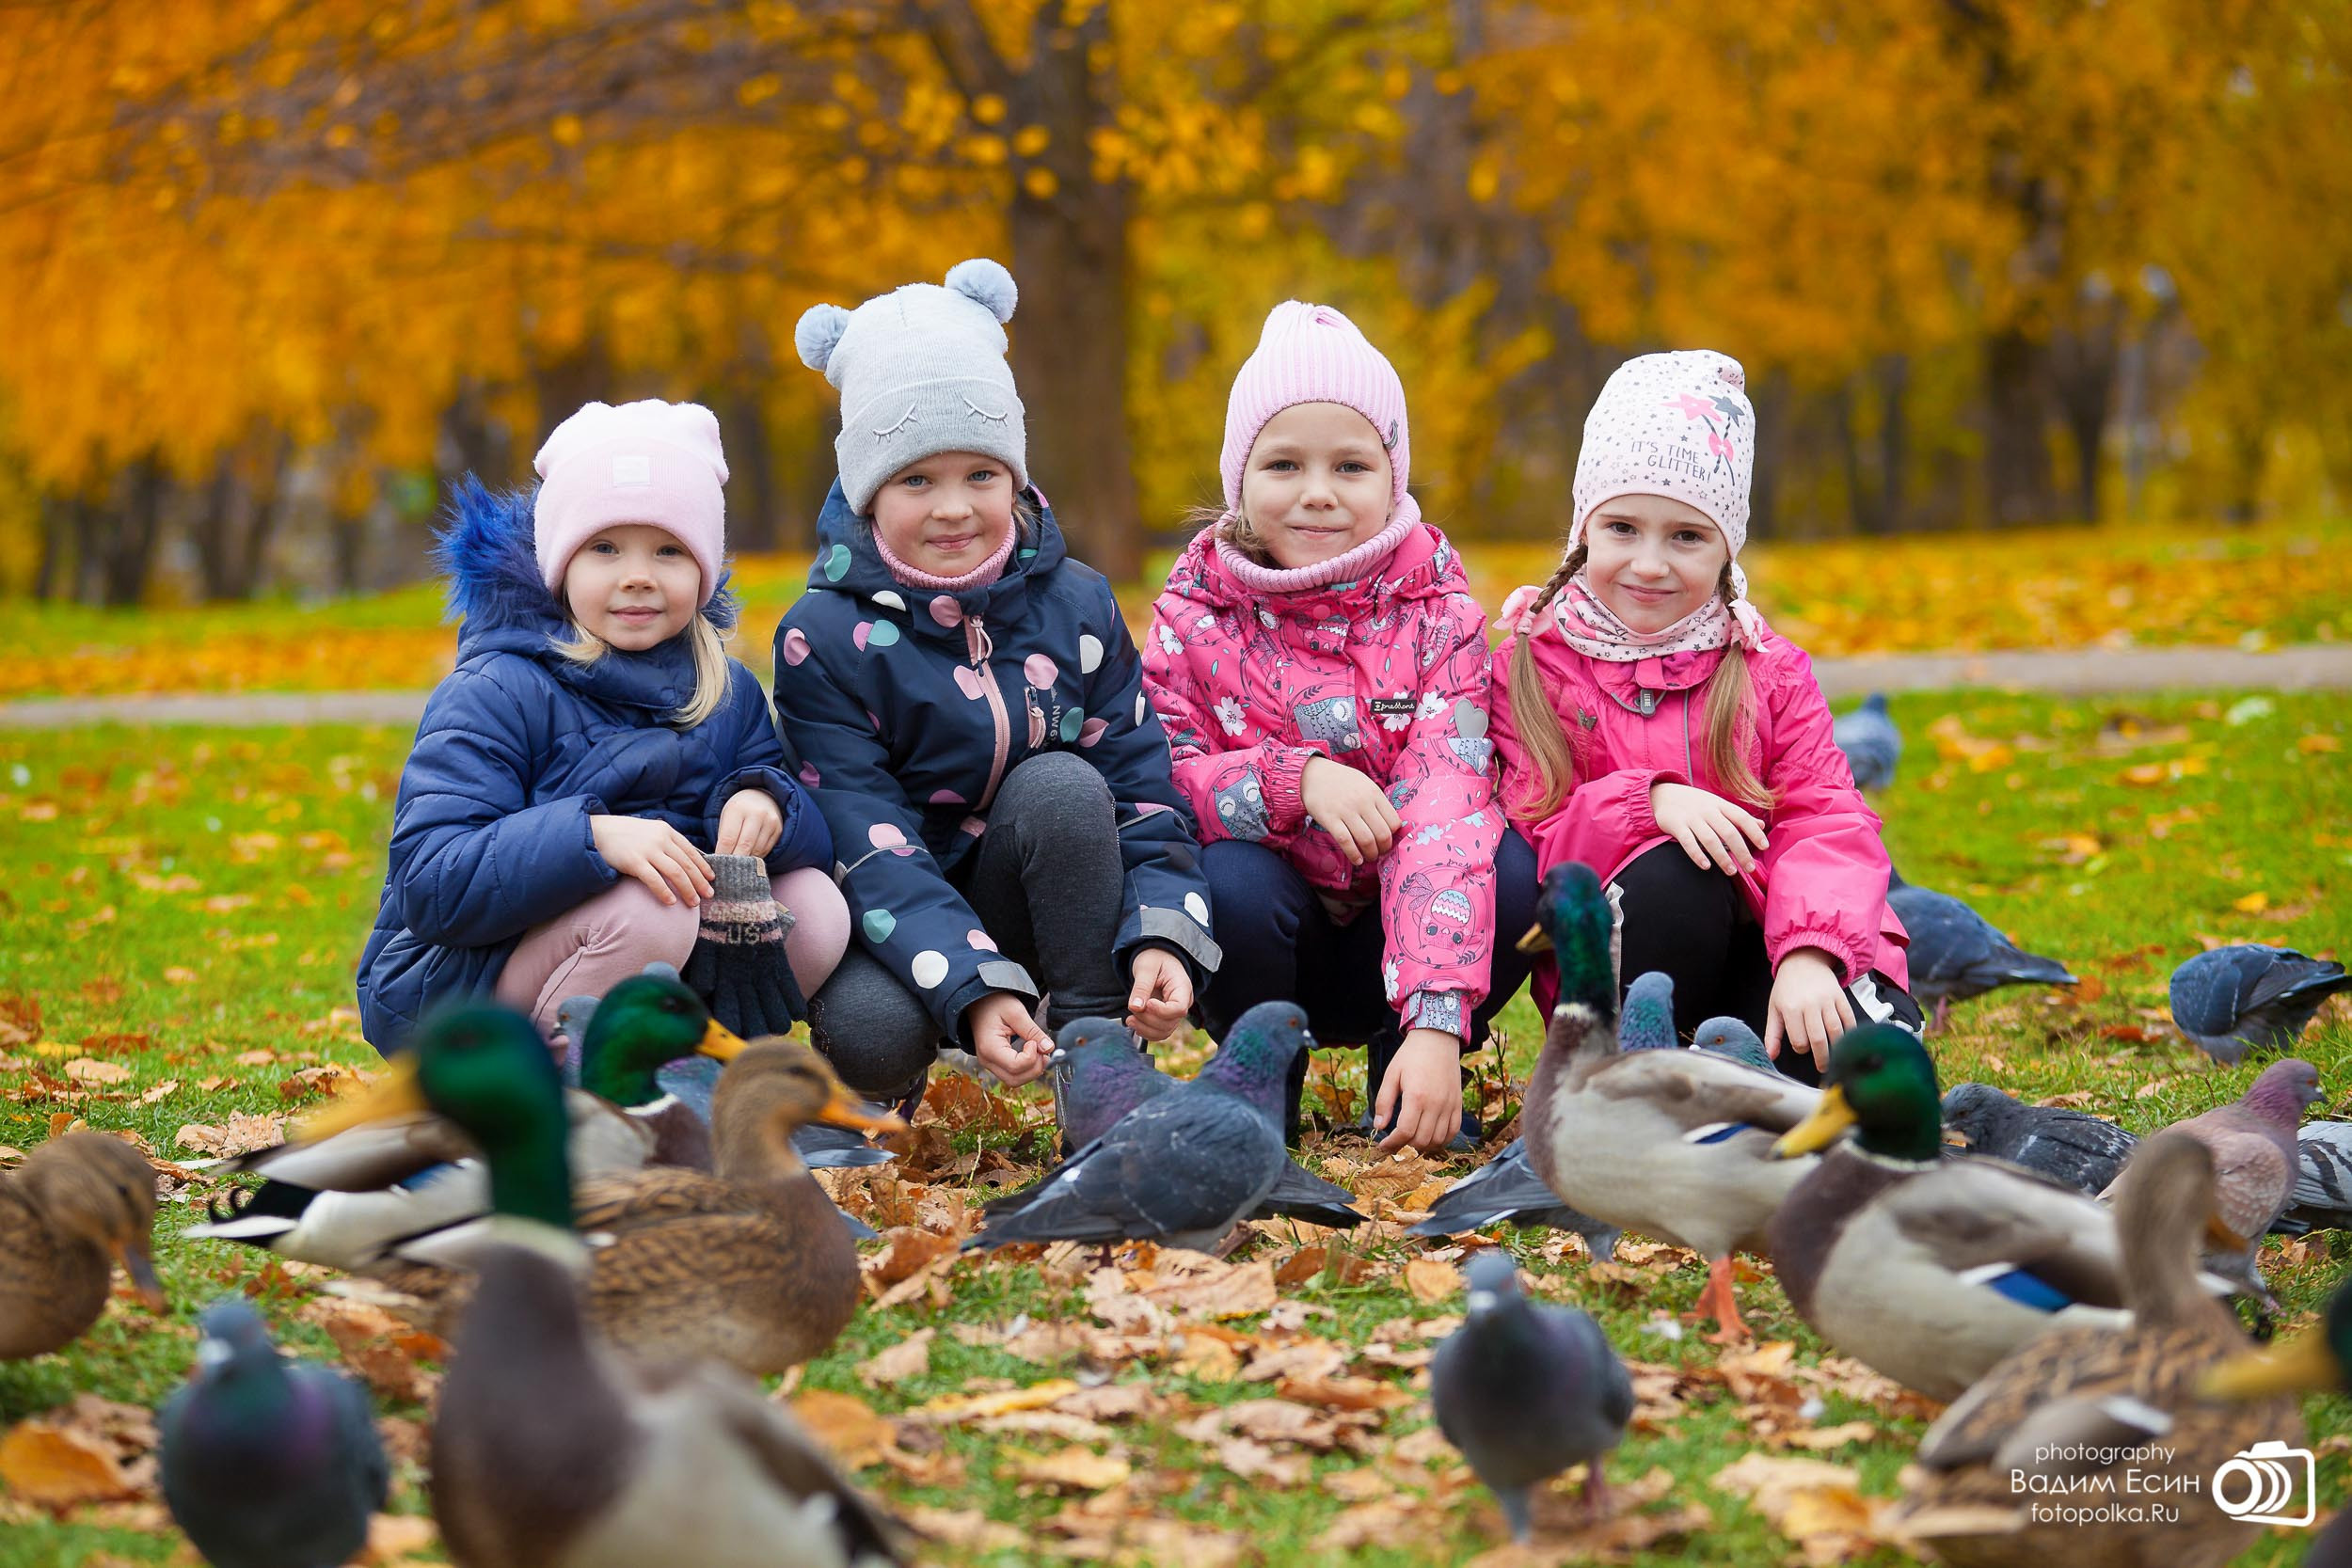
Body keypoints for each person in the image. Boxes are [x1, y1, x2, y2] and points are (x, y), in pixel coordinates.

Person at [774, 260, 1219, 1112]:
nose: (954, 508)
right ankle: (891, 1102)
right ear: (867, 492)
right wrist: (972, 985)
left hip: (1034, 884)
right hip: (888, 913)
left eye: (980, 474)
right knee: (873, 1032)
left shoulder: (1077, 604)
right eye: (916, 479)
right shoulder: (822, 639)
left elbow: (1140, 787)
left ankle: (1097, 1060)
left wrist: (1165, 926)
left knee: (1064, 786)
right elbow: (863, 835)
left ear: (1015, 474)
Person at [1142, 302, 1531, 1152]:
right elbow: (1161, 777)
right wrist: (1297, 779)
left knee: (1512, 868)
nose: (1317, 491)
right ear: (1240, 479)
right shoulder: (1192, 619)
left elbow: (1449, 804)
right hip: (1270, 942)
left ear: (1392, 479)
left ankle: (1411, 1078)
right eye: (1284, 463)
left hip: (1404, 935)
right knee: (1229, 878)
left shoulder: (1442, 619)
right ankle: (1257, 1090)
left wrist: (1436, 1019)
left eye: (1350, 465)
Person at [358, 399, 843, 1053]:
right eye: (605, 548)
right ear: (560, 565)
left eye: (669, 550)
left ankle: (690, 1072)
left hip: (641, 955)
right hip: (467, 987)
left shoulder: (725, 692)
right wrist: (590, 838)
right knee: (653, 908)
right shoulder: (497, 688)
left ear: (703, 571)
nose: (637, 577)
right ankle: (555, 1090)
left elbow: (809, 837)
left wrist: (768, 804)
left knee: (814, 907)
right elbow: (431, 883)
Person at [1490, 350, 1917, 1083]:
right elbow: (1535, 844)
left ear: (1726, 549)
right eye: (1622, 527)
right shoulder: (1533, 669)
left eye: (1686, 536)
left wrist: (1810, 951)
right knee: (1675, 872)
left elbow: (1824, 817)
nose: (1650, 564)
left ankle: (1771, 1050)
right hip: (1639, 945)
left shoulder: (1765, 669)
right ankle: (1641, 1071)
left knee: (1846, 1069)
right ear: (1584, 528)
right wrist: (1647, 802)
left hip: (1776, 939)